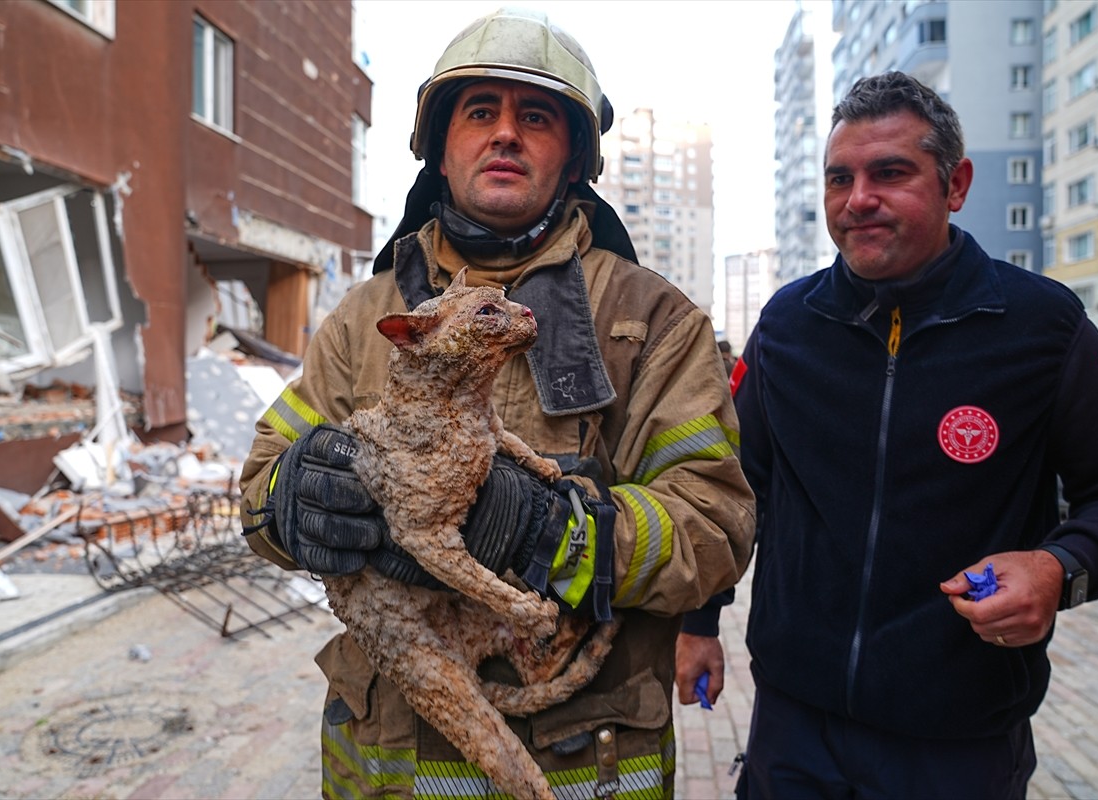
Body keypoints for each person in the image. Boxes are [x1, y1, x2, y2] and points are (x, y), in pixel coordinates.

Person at [239, 8, 755, 798]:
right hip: (389, 764)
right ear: (441, 152)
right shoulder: (365, 318)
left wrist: (560, 533)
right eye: (481, 112)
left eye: (536, 117)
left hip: (589, 761)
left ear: (575, 159)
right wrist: (293, 501)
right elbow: (257, 490)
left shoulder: (654, 321)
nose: (505, 134)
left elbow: (716, 529)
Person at [732, 71, 1098, 798]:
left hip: (958, 743)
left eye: (890, 173)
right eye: (839, 178)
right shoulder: (787, 327)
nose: (858, 200)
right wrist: (701, 622)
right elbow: (736, 488)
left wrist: (1058, 569)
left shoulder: (1043, 328)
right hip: (792, 728)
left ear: (956, 185)